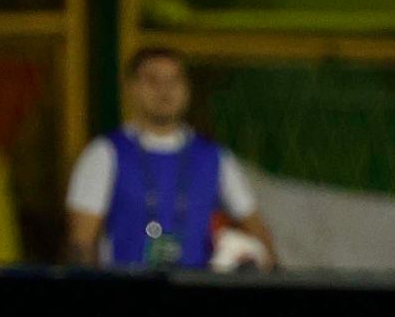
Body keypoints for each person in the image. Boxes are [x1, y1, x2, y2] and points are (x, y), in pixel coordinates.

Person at [64, 47, 275, 270]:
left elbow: (258, 233)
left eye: (174, 80)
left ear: (187, 89)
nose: (165, 90)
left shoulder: (214, 157)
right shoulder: (105, 153)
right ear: (132, 88)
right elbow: (81, 243)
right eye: (153, 80)